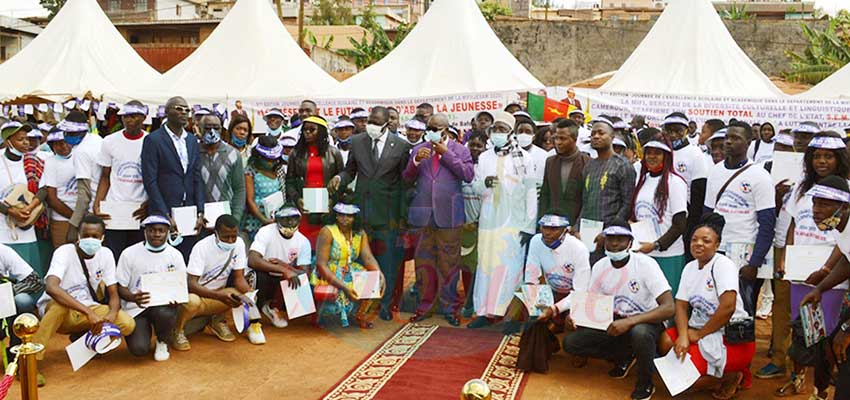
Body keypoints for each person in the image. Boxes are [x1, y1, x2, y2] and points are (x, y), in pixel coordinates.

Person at [757, 135, 850, 394]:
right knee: (803, 331)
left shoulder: (846, 192)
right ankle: (800, 379)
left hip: (831, 272)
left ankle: (820, 387)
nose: (822, 161)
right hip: (801, 271)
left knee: (825, 337)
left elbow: (843, 250)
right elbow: (795, 224)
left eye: (828, 156)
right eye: (817, 156)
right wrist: (786, 256)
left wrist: (827, 272)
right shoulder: (802, 189)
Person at [543, 222, 675, 400]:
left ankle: (646, 383)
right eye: (610, 239)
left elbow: (669, 308)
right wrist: (575, 316)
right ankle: (626, 354)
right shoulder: (600, 266)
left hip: (647, 322)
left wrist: (629, 322)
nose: (614, 244)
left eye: (620, 239)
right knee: (572, 343)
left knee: (640, 333)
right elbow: (591, 303)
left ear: (630, 243)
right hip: (614, 320)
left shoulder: (646, 264)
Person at [658, 214, 754, 399]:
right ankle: (712, 372)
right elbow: (680, 304)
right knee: (666, 342)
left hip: (730, 336)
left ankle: (730, 378)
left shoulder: (723, 265)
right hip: (699, 329)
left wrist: (699, 335)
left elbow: (728, 307)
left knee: (685, 385)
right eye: (694, 240)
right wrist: (684, 336)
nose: (698, 244)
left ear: (717, 245)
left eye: (706, 240)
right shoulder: (690, 267)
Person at [329, 106, 411, 321]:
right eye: (369, 121)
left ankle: (383, 303)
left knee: (387, 260)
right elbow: (350, 170)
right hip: (363, 211)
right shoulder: (358, 141)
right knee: (363, 259)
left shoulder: (401, 145)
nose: (371, 126)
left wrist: (402, 218)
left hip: (388, 213)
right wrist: (341, 178)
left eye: (375, 122)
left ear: (386, 124)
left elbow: (404, 184)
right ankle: (365, 302)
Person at [33, 215, 136, 384]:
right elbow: (51, 287)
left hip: (88, 309)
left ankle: (83, 338)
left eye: (95, 236)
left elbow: (114, 293)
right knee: (59, 307)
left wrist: (112, 312)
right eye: (86, 235)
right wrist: (88, 312)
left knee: (127, 323)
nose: (90, 239)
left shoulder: (106, 254)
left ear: (102, 238)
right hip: (59, 310)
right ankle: (30, 363)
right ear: (78, 235)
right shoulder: (64, 252)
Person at [403, 113, 474, 326]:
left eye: (437, 128)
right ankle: (425, 306)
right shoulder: (418, 149)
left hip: (449, 216)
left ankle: (450, 308)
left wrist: (446, 155)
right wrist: (415, 161)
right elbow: (407, 177)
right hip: (423, 216)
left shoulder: (460, 149)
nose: (433, 131)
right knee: (424, 263)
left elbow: (468, 174)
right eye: (430, 127)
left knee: (449, 264)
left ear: (446, 129)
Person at [468, 111, 535, 329]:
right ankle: (485, 311)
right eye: (495, 129)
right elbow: (475, 187)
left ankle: (508, 314)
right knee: (486, 264)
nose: (498, 133)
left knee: (510, 267)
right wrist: (484, 183)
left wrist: (528, 227)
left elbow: (530, 194)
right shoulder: (485, 157)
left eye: (503, 129)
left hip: (514, 223)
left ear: (511, 133)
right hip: (489, 220)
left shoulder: (524, 158)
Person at [704, 121, 776, 320]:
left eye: (735, 138)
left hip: (743, 252)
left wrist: (755, 263)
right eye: (727, 137)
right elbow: (707, 213)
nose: (728, 142)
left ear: (749, 142)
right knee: (713, 306)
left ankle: (742, 351)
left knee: (741, 314)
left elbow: (767, 223)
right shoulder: (715, 171)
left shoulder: (759, 175)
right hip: (716, 249)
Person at [175, 215, 265, 349]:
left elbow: (239, 278)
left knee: (240, 295)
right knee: (191, 301)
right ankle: (178, 331)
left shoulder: (239, 244)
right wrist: (219, 296)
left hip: (219, 296)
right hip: (198, 296)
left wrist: (249, 295)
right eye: (225, 237)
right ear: (215, 233)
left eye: (233, 236)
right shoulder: (201, 247)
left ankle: (216, 320)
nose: (230, 241)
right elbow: (191, 284)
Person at [798, 176, 850, 400]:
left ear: (844, 207)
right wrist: (821, 287)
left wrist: (847, 329)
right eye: (815, 203)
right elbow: (848, 260)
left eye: (824, 204)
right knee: (829, 347)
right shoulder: (842, 227)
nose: (816, 210)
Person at [141, 96, 206, 261]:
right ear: (167, 111)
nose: (184, 112)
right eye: (179, 108)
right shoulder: (153, 139)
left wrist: (200, 210)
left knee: (187, 259)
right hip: (164, 211)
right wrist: (164, 213)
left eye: (187, 110)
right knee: (162, 260)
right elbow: (150, 180)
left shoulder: (192, 140)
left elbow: (196, 177)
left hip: (189, 212)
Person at [116, 215, 186, 361]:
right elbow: (120, 287)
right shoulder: (129, 253)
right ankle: (145, 330)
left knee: (166, 313)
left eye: (161, 230)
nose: (156, 234)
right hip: (136, 307)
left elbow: (181, 286)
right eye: (152, 230)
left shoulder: (175, 255)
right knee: (139, 349)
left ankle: (162, 341)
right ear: (145, 232)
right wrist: (133, 297)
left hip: (162, 307)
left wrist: (177, 299)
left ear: (167, 232)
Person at [630, 137, 688, 295]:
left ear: (667, 156)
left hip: (668, 255)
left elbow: (680, 224)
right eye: (648, 152)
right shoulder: (643, 180)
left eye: (657, 153)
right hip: (643, 253)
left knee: (666, 305)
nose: (651, 156)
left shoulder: (675, 182)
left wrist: (656, 245)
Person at [312, 201, 384, 329]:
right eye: (341, 215)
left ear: (355, 217)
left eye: (349, 216)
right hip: (328, 270)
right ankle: (320, 316)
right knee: (330, 298)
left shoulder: (360, 233)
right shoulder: (327, 231)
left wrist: (379, 273)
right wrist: (344, 287)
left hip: (349, 268)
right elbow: (321, 264)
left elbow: (367, 257)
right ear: (336, 215)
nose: (345, 219)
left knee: (373, 280)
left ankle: (359, 316)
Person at [93, 101, 148, 259]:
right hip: (114, 209)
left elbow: (155, 178)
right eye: (125, 117)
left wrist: (149, 203)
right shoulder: (109, 141)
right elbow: (105, 175)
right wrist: (98, 203)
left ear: (143, 118)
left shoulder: (150, 141)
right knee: (114, 255)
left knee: (136, 257)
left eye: (133, 116)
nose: (129, 120)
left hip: (139, 210)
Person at [580, 116, 636, 264]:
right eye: (593, 134)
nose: (596, 136)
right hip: (586, 234)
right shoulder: (589, 166)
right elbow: (585, 200)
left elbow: (627, 204)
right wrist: (576, 228)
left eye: (600, 133)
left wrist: (609, 232)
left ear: (612, 137)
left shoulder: (622, 165)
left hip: (611, 238)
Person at [247, 206, 312, 329]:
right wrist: (284, 270)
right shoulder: (266, 232)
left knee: (299, 281)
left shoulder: (303, 241)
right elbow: (253, 260)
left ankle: (273, 308)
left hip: (280, 279)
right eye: (286, 219)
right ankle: (254, 309)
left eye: (294, 219)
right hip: (262, 274)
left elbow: (305, 274)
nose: (290, 223)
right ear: (277, 219)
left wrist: (283, 265)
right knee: (258, 276)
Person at [525, 211, 590, 332]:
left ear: (566, 230)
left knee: (573, 327)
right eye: (544, 227)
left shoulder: (579, 249)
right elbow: (531, 278)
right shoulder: (536, 241)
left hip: (575, 297)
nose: (548, 233)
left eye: (554, 228)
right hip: (552, 293)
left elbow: (580, 292)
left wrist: (554, 309)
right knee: (533, 319)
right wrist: (537, 305)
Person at [286, 116, 344, 247]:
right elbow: (289, 181)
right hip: (305, 202)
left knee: (325, 241)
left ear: (322, 131)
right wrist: (297, 199)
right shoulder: (296, 153)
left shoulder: (334, 153)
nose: (307, 132)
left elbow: (341, 181)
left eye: (312, 130)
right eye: (305, 129)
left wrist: (332, 201)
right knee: (306, 243)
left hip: (327, 203)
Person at [0, 121, 46, 273]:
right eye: (20, 139)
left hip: (27, 226)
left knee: (28, 273)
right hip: (2, 229)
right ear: (8, 142)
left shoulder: (34, 161)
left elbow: (44, 188)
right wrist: (10, 211)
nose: (26, 143)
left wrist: (31, 207)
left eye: (27, 138)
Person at [662, 112, 708, 243]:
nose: (673, 135)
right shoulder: (663, 152)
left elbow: (698, 192)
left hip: (685, 215)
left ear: (687, 130)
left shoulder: (695, 154)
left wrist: (692, 225)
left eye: (678, 131)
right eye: (669, 131)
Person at [0, 242, 43, 365]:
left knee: (23, 301)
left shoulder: (3, 251)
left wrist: (7, 292)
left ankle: (18, 357)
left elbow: (34, 281)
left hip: (4, 306)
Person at [198, 114, 246, 224]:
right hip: (201, 221)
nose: (212, 131)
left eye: (216, 128)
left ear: (221, 130)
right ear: (200, 129)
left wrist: (236, 217)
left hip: (227, 217)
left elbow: (239, 189)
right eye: (207, 128)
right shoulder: (193, 153)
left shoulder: (233, 154)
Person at [65, 111, 104, 243]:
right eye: (68, 133)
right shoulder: (97, 139)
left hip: (94, 211)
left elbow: (84, 194)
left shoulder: (81, 151)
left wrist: (73, 225)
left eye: (73, 133)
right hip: (107, 204)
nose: (70, 136)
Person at [539, 119, 588, 225]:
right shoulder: (550, 162)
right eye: (556, 138)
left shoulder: (587, 163)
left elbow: (587, 201)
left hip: (575, 225)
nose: (558, 142)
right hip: (552, 225)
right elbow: (545, 195)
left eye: (563, 138)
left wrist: (577, 226)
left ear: (574, 139)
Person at [242, 135, 284, 241]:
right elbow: (250, 200)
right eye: (268, 159)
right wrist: (264, 220)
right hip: (257, 220)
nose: (271, 162)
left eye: (274, 159)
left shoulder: (279, 170)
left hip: (277, 219)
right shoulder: (250, 171)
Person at [41, 130, 77, 248]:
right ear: (52, 147)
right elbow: (52, 199)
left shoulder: (81, 156)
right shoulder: (50, 163)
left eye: (66, 142)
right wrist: (76, 217)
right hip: (62, 219)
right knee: (64, 254)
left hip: (86, 216)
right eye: (58, 144)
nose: (63, 146)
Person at [515, 116, 548, 184]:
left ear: (534, 136)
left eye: (528, 132)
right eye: (520, 131)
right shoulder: (508, 153)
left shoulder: (543, 155)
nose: (523, 134)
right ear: (516, 134)